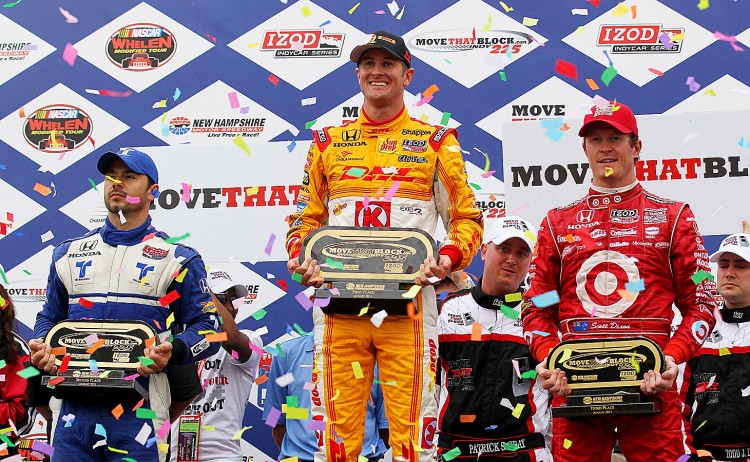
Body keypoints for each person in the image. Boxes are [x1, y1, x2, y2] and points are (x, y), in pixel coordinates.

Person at [285, 30, 483, 461]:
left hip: (409, 307)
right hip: (339, 306)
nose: (377, 71)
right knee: (335, 434)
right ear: (357, 74)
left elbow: (466, 218)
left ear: (407, 74)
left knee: (414, 431)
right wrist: (302, 259)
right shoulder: (327, 142)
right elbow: (305, 218)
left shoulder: (436, 142)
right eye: (368, 64)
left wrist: (446, 260)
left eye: (387, 64)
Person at [521, 101, 717, 462]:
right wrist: (549, 358)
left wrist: (671, 359)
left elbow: (701, 303)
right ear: (584, 149)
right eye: (595, 139)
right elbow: (538, 306)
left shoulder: (676, 217)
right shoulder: (556, 223)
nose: (605, 147)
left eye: (615, 137)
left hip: (650, 385)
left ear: (636, 146)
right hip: (575, 386)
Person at [29, 148, 220, 462]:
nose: (117, 183)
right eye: (111, 176)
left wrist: (175, 350)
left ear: (152, 192)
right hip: (72, 413)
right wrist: (43, 346)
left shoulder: (179, 257)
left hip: (141, 411)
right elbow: (49, 317)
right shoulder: (68, 253)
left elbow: (210, 329)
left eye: (129, 177)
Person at [437, 216, 552, 461]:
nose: (511, 259)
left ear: (531, 261)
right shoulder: (450, 309)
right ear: (484, 251)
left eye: (522, 253)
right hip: (456, 451)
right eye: (503, 248)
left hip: (523, 450)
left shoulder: (540, 315)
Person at [170, 268, 263, 462]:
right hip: (174, 454)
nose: (231, 307)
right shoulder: (176, 343)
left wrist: (199, 287)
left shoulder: (250, 339)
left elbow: (230, 337)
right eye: (223, 300)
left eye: (234, 300)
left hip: (222, 456)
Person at [263, 334, 389, 462]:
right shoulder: (286, 354)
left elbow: (386, 427)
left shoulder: (376, 359)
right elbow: (274, 418)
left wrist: (372, 456)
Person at [681, 233, 750, 461]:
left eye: (741, 266)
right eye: (723, 265)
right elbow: (677, 405)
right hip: (705, 455)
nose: (729, 273)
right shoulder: (697, 330)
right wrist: (689, 453)